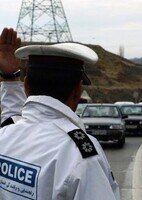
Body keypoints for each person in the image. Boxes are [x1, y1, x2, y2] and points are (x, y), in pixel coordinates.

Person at [0, 28, 120, 199]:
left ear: (26, 86)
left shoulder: (6, 136)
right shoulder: (80, 154)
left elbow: (14, 120)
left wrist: (10, 78)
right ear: (78, 92)